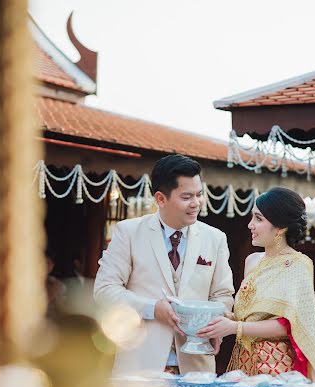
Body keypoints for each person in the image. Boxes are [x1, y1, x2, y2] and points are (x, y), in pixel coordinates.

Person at [94, 154, 234, 375]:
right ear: (161, 198)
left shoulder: (215, 238)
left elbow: (223, 295)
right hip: (139, 365)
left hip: (196, 368)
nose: (196, 203)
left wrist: (216, 325)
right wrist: (152, 309)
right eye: (187, 196)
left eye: (199, 194)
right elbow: (104, 291)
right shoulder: (128, 232)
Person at [197, 187, 315, 382]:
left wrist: (234, 327)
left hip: (275, 364)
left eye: (258, 219)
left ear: (280, 227)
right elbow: (246, 316)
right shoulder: (252, 260)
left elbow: (289, 326)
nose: (250, 225)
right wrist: (217, 319)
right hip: (242, 360)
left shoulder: (297, 264)